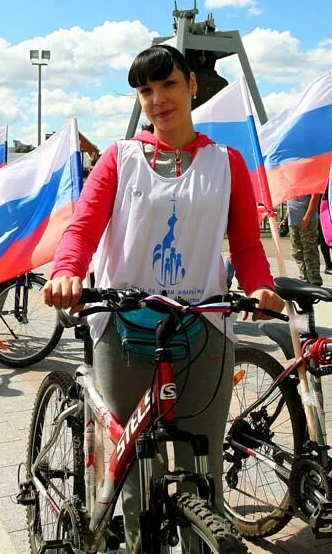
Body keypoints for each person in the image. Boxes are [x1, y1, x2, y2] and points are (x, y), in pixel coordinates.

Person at [43, 44, 285, 549]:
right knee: (133, 468)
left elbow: (244, 243)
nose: (157, 100)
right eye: (145, 90)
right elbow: (83, 228)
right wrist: (67, 271)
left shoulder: (228, 163)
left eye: (168, 85)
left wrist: (260, 285)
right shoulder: (119, 157)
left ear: (192, 85)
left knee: (204, 463)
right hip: (125, 326)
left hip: (203, 325)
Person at [287, 193, 323, 285]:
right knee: (297, 252)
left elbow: (315, 196)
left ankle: (314, 280)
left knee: (309, 250)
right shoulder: (291, 180)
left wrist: (307, 217)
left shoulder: (309, 179)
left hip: (308, 220)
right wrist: (285, 218)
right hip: (294, 220)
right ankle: (304, 278)